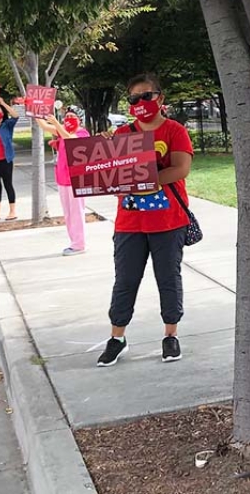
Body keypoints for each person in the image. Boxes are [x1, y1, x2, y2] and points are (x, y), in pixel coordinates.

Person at [97, 73, 194, 367]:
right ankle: (117, 337)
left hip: (168, 222)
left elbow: (181, 168)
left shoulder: (175, 131)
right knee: (125, 281)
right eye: (134, 99)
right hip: (129, 223)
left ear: (160, 98)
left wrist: (145, 179)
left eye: (146, 96)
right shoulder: (122, 135)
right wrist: (101, 153)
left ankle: (170, 335)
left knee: (168, 279)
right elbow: (107, 173)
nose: (140, 103)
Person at [34, 112, 90, 255]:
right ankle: (74, 242)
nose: (69, 119)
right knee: (68, 213)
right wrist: (34, 111)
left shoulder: (82, 133)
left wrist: (57, 124)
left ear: (79, 119)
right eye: (67, 117)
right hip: (63, 178)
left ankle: (79, 244)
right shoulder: (61, 131)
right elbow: (44, 125)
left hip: (76, 179)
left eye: (72, 116)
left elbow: (70, 139)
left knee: (77, 211)